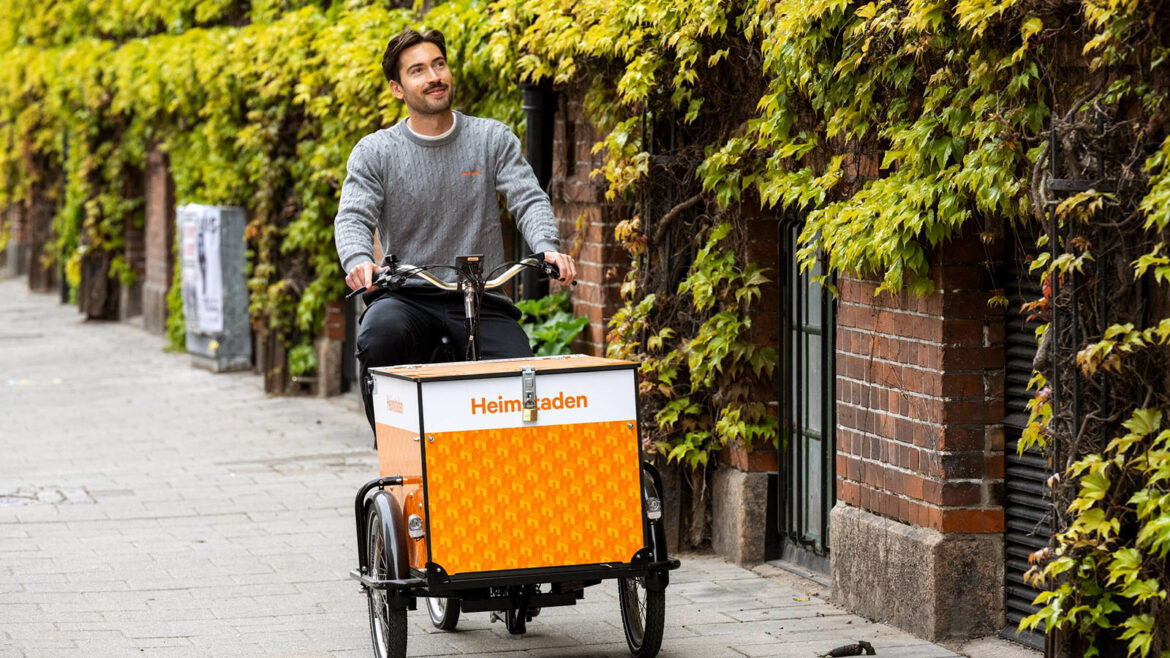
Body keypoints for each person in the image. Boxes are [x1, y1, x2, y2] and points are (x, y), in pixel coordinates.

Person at [334, 28, 577, 432]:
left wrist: (547, 248)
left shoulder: (490, 138)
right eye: (417, 70)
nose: (434, 76)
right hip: (408, 296)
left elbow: (527, 198)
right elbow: (353, 216)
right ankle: (393, 447)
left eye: (439, 64)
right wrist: (359, 260)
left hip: (481, 296)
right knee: (380, 335)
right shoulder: (376, 151)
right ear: (397, 88)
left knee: (520, 373)